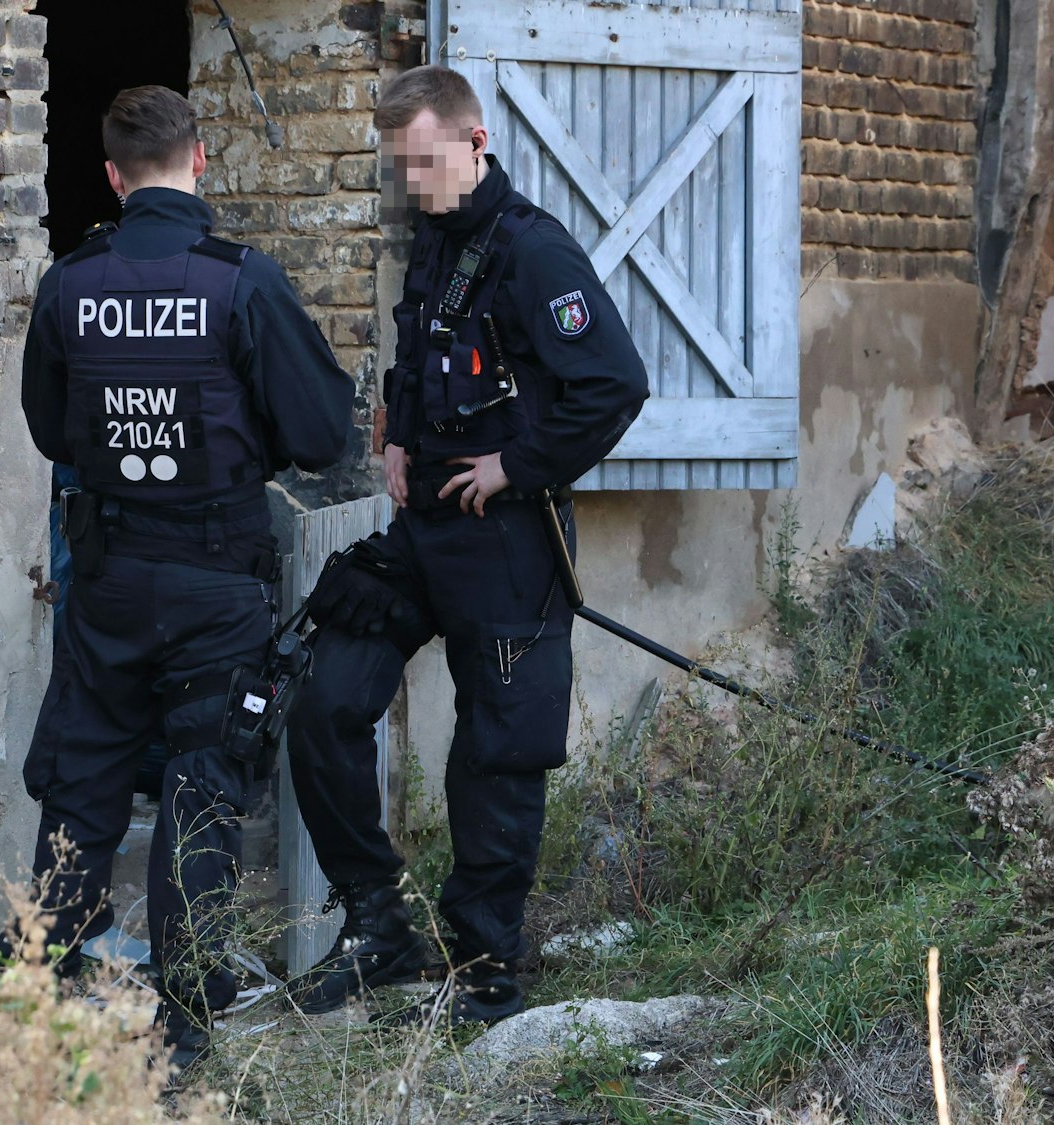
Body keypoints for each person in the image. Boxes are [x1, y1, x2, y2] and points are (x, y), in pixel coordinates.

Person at [284, 65, 649, 1025]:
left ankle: (484, 974)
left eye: (425, 161)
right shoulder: (435, 244)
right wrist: (400, 433)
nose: (413, 181)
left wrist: (516, 468)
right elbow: (421, 351)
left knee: (492, 756)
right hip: (424, 533)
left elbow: (613, 385)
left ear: (475, 142)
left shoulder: (536, 253)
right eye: (399, 166)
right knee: (324, 700)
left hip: (506, 540)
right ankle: (381, 925)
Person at [11, 85, 351, 1071]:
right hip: (212, 584)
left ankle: (35, 1010)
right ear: (199, 160)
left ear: (112, 177)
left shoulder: (70, 283)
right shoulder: (242, 282)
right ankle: (185, 1041)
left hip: (110, 580)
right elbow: (322, 436)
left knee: (80, 791)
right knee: (201, 790)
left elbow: (45, 429)